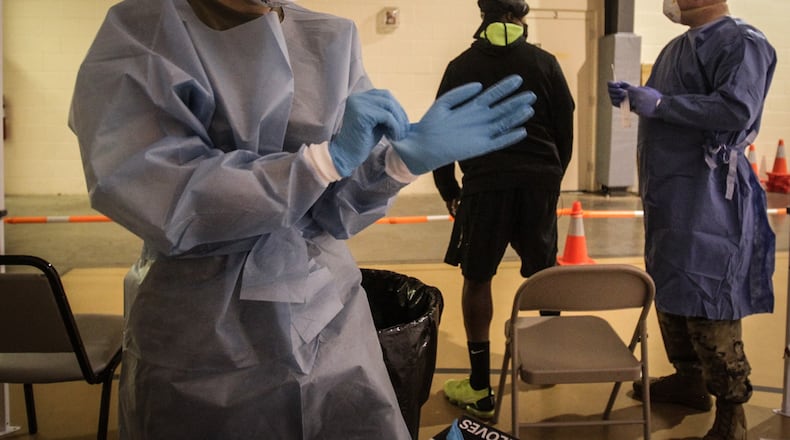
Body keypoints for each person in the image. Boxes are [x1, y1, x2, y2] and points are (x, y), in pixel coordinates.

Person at [68, 0, 538, 438]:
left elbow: (334, 211)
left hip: (327, 322)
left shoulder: (328, 39)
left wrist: (396, 164)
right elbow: (158, 192)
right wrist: (316, 166)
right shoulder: (148, 30)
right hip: (203, 335)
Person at [607, 0, 776, 438]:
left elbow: (735, 109)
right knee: (671, 290)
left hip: (709, 198)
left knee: (708, 299)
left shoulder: (741, 42)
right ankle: (689, 380)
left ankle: (731, 410)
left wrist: (660, 104)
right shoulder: (677, 48)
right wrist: (634, 98)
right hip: (670, 196)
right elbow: (673, 103)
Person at [434, 0, 575, 420]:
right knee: (544, 272)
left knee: (477, 279)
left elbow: (440, 129)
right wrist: (551, 176)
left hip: (485, 186)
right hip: (539, 182)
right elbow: (564, 125)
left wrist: (448, 187)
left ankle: (479, 387)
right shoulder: (545, 63)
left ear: (484, 15)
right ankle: (546, 366)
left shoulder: (460, 66)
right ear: (522, 16)